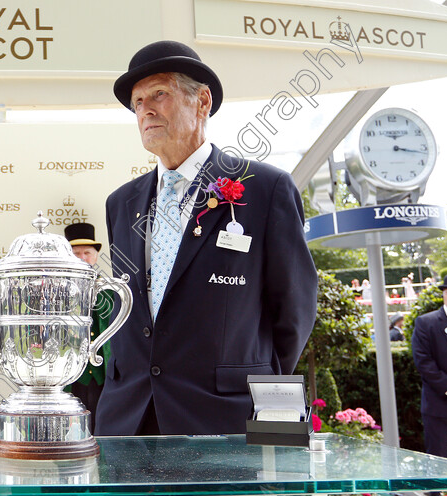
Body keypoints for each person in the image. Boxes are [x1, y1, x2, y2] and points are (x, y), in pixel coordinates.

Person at [97, 40, 317, 435]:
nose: (145, 109)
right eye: (137, 102)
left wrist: (257, 382)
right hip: (130, 418)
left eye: (158, 94)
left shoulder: (266, 188)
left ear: (201, 101)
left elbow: (294, 309)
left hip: (228, 416)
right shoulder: (121, 202)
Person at [63, 222, 113, 434]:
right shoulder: (57, 292)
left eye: (87, 253)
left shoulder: (111, 290)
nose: (82, 258)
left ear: (96, 256)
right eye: (76, 253)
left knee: (105, 423)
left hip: (104, 372)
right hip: (71, 373)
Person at [412, 274, 447, 458]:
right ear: (443, 295)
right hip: (438, 404)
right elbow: (423, 360)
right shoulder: (426, 322)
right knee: (438, 462)